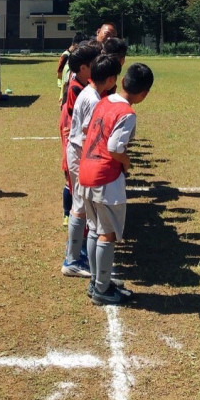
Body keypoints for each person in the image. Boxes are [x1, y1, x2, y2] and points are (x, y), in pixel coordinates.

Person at [79, 62, 154, 305]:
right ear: (144, 94)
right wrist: (126, 162)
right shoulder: (127, 113)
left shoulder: (103, 101)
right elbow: (114, 147)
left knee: (93, 228)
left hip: (86, 172)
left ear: (122, 82)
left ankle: (96, 281)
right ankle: (101, 288)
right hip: (105, 178)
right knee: (107, 234)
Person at [62, 53, 122, 277]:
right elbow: (89, 130)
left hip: (77, 153)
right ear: (110, 80)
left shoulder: (88, 92)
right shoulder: (94, 99)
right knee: (81, 209)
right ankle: (73, 260)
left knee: (81, 207)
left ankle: (74, 257)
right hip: (81, 155)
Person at [59, 41, 101, 229]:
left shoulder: (84, 84)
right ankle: (68, 213)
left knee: (76, 184)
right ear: (83, 68)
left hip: (75, 138)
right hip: (74, 139)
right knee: (73, 179)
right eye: (94, 64)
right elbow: (75, 118)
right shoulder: (77, 88)